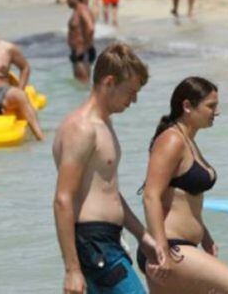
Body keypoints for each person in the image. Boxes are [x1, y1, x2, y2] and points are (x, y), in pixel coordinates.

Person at [53, 42, 157, 294]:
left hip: (107, 240)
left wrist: (142, 235)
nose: (134, 100)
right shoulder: (81, 128)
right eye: (130, 92)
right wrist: (72, 270)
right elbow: (63, 200)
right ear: (109, 82)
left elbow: (109, 190)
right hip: (95, 244)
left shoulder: (104, 124)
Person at [141, 77, 228, 294]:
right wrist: (161, 249)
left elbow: (184, 200)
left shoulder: (188, 141)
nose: (217, 112)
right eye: (211, 106)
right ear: (187, 106)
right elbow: (151, 196)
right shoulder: (172, 140)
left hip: (181, 247)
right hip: (170, 247)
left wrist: (205, 236)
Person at [67, 0, 97, 84]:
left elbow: (90, 27)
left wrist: (84, 47)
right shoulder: (77, 11)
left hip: (82, 52)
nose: (67, 0)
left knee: (83, 83)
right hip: (78, 52)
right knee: (79, 84)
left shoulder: (82, 10)